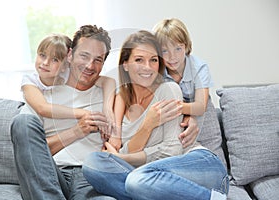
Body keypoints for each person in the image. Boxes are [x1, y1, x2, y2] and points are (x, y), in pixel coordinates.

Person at [82, 30, 229, 200]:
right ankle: (150, 192)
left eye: (153, 60)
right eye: (139, 60)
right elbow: (120, 149)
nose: (147, 67)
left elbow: (172, 150)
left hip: (199, 166)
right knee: (93, 163)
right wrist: (147, 126)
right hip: (153, 178)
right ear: (125, 65)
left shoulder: (168, 90)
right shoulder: (120, 99)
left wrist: (124, 157)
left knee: (137, 179)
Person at [10, 25, 116, 200]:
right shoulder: (42, 96)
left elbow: (122, 143)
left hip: (88, 176)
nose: (90, 65)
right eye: (84, 55)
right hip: (48, 173)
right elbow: (31, 153)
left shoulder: (108, 94)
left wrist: (108, 109)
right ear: (70, 55)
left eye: (98, 59)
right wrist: (76, 131)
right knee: (22, 122)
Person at [20, 33, 116, 140]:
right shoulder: (30, 81)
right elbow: (42, 108)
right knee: (21, 122)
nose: (46, 63)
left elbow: (108, 81)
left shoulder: (68, 74)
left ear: (65, 64)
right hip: (32, 114)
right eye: (42, 55)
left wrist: (107, 109)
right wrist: (87, 114)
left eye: (55, 59)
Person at [154, 18, 213, 122]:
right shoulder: (157, 70)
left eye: (178, 49)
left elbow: (200, 107)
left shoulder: (199, 67)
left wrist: (173, 107)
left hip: (199, 120)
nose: (172, 57)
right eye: (165, 51)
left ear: (186, 47)